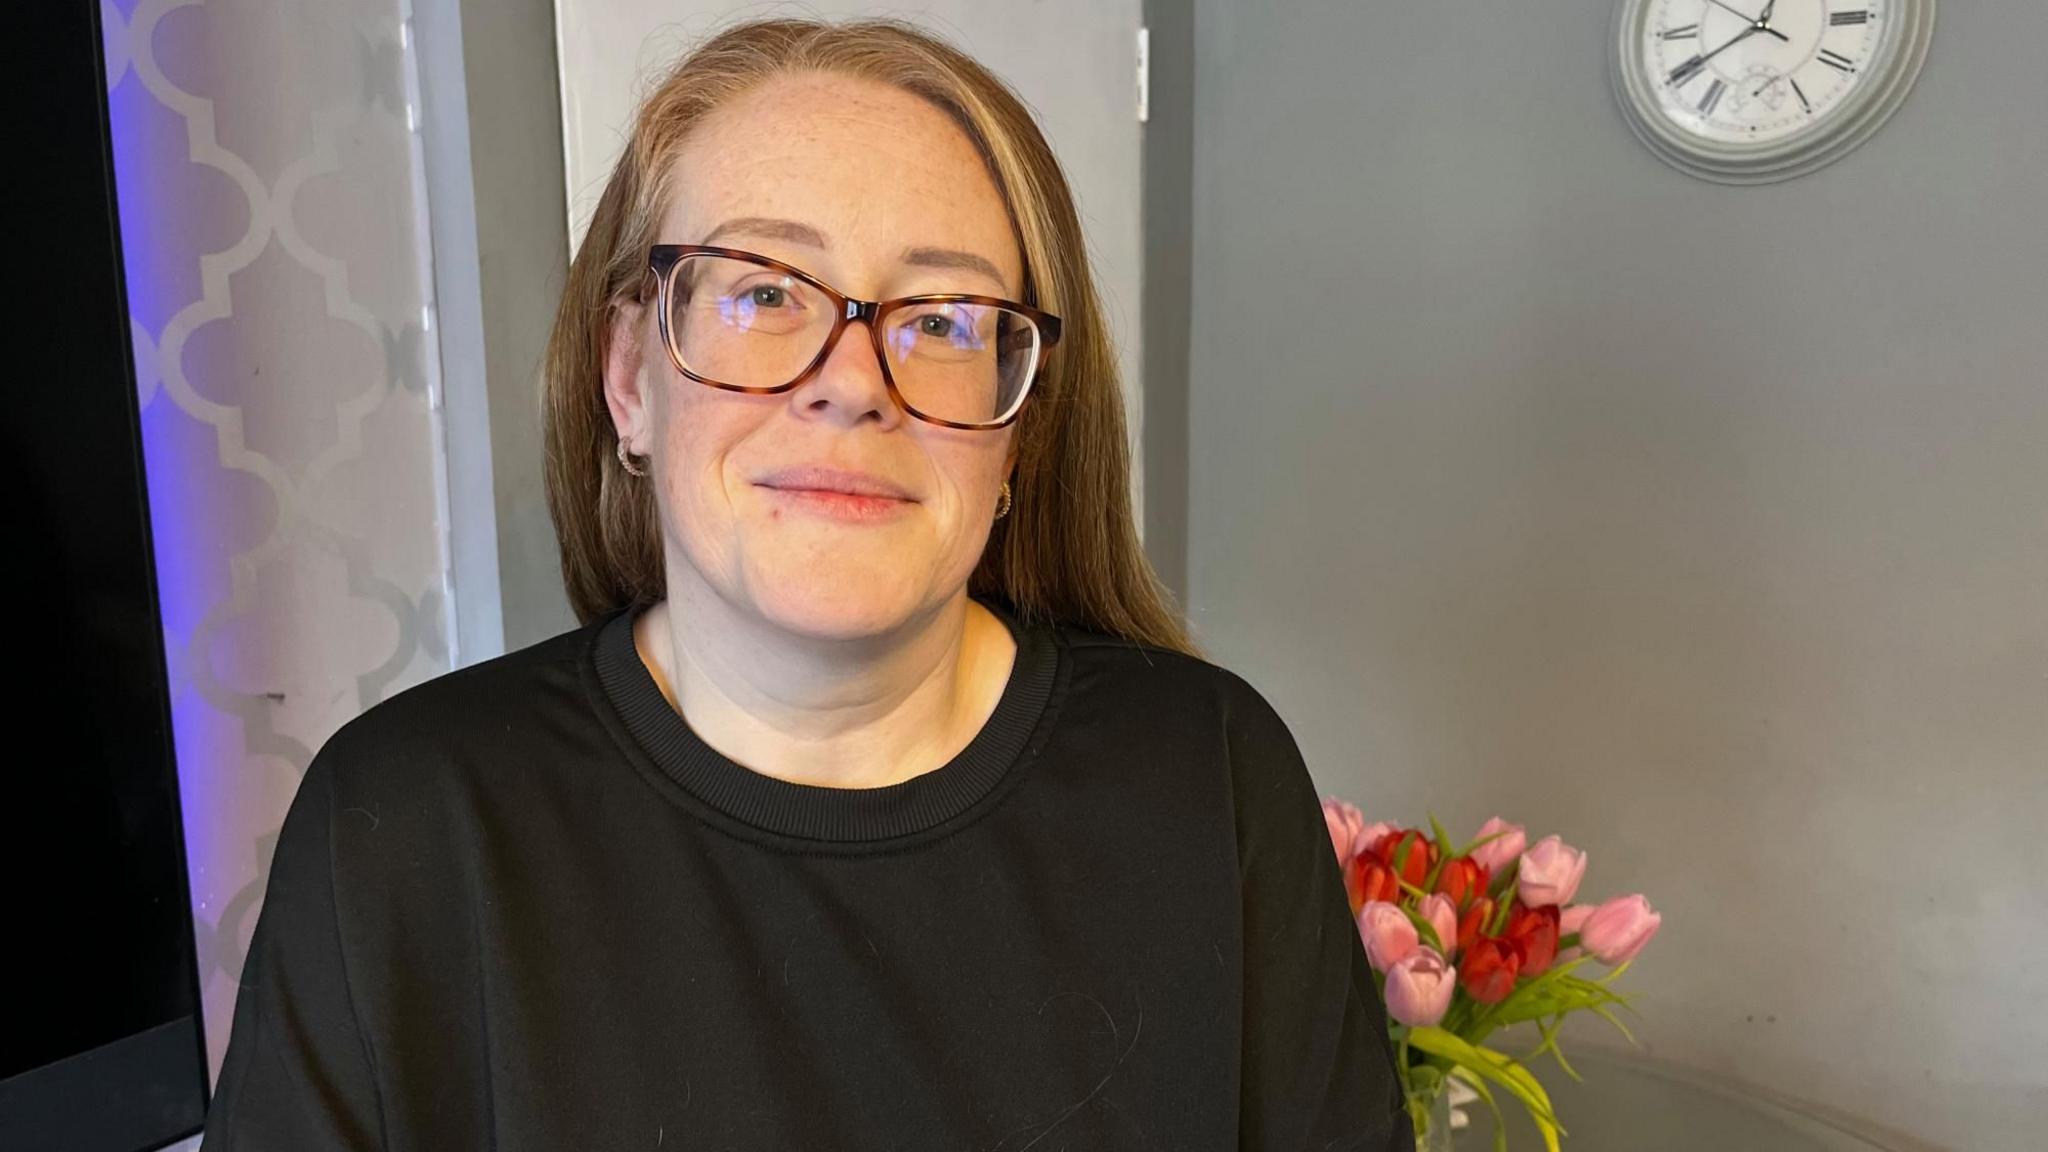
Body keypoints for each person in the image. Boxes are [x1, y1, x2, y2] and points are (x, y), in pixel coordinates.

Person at [200, 16, 1410, 1150]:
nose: (851, 382)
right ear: (629, 376)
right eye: (762, 293)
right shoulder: (404, 831)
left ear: (1015, 440)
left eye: (941, 320)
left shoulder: (1209, 776)